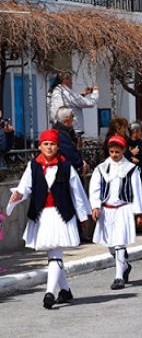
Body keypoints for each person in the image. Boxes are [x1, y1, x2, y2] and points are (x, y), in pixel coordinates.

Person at [5, 129, 91, 309]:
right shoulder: (33, 166)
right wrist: (18, 195)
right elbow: (25, 188)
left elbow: (77, 193)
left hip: (61, 216)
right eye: (46, 144)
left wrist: (83, 216)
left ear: (57, 146)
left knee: (55, 253)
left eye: (52, 144)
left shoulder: (66, 167)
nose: (49, 147)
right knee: (53, 254)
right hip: (42, 215)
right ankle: (65, 291)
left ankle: (49, 293)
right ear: (40, 146)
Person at [90, 135, 142, 290]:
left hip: (123, 209)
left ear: (123, 151)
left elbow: (136, 190)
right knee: (110, 244)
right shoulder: (101, 168)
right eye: (112, 151)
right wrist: (95, 207)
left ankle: (119, 276)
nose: (114, 155)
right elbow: (95, 188)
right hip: (107, 210)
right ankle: (125, 265)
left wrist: (138, 212)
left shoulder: (131, 169)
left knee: (120, 242)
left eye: (117, 152)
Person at [53, 107, 89, 175]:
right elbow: (69, 153)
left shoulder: (67, 131)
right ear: (67, 118)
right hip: (66, 171)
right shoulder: (60, 134)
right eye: (72, 116)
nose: (74, 119)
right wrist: (80, 162)